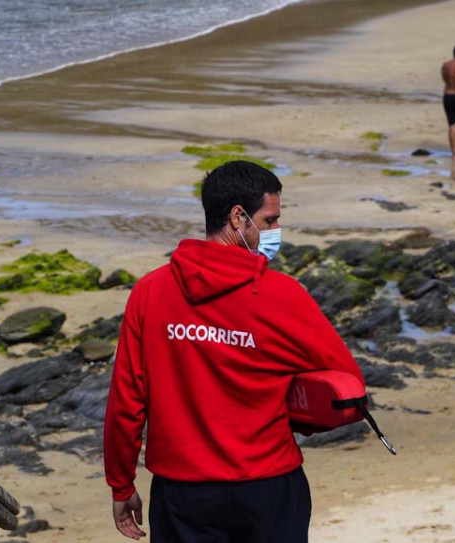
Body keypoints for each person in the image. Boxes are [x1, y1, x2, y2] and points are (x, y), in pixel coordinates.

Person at [103, 160, 366, 542]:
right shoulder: (284, 296)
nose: (276, 231)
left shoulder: (150, 291)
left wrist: (121, 484)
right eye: (271, 220)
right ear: (238, 217)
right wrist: (301, 414)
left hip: (182, 494)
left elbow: (127, 402)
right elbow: (350, 389)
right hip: (268, 488)